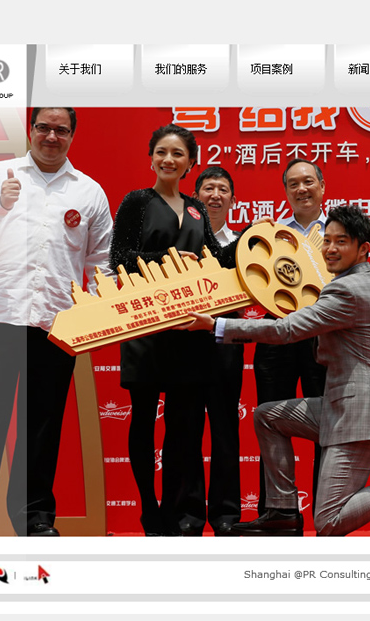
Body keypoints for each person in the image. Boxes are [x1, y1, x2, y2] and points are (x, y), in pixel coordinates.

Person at [181, 205, 370, 537]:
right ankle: (282, 510)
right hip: (344, 404)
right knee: (268, 416)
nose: (331, 249)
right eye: (328, 240)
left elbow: (286, 330)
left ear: (363, 248)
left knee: (328, 522)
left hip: (357, 416)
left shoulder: (346, 290)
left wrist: (217, 325)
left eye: (342, 242)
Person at [0, 107, 113, 537]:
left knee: (41, 429)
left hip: (56, 324)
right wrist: (0, 204)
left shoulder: (89, 191)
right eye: (44, 127)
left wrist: (95, 315)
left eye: (61, 130)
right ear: (30, 130)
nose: (51, 136)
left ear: (72, 135)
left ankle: (34, 519)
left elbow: (101, 261)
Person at [109, 125, 238, 536]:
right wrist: (169, 259)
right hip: (147, 328)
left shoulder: (196, 208)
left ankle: (178, 515)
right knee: (144, 422)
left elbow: (216, 259)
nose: (169, 160)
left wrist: (253, 241)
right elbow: (119, 258)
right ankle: (149, 510)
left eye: (178, 154)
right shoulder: (136, 201)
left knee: (183, 430)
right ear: (151, 158)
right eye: (162, 152)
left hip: (189, 334)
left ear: (190, 163)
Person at [252, 158, 328, 523]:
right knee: (270, 420)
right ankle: (277, 512)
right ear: (285, 191)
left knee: (328, 427)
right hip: (277, 334)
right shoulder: (273, 236)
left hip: (324, 337)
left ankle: (329, 513)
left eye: (308, 181)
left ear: (322, 187)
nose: (302, 189)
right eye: (293, 184)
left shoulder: (340, 232)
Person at [191, 166, 245, 536]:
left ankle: (226, 514)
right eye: (208, 188)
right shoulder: (182, 239)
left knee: (226, 429)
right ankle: (189, 514)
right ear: (195, 197)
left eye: (222, 189)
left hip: (226, 339)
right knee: (187, 429)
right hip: (185, 343)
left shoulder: (244, 243)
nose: (215, 195)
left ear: (233, 199)